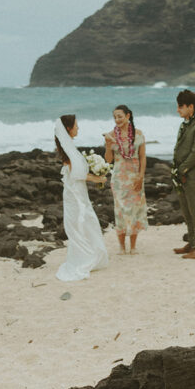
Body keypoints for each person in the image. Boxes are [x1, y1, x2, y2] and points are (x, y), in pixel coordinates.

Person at [55, 114, 109, 280]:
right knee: (82, 224)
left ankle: (90, 256)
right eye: (76, 125)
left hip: (78, 193)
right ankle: (84, 259)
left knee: (86, 223)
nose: (78, 128)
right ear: (69, 129)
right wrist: (98, 178)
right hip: (75, 195)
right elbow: (78, 174)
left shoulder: (69, 147)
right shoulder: (69, 150)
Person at [171, 89, 195, 260]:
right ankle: (192, 242)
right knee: (186, 211)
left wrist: (182, 170)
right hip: (181, 173)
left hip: (193, 173)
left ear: (191, 107)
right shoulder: (184, 124)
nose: (178, 109)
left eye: (181, 106)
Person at [103, 105, 147, 254]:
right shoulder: (111, 135)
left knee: (134, 210)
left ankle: (133, 246)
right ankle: (122, 246)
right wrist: (108, 146)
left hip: (135, 176)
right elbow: (108, 160)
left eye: (120, 116)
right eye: (115, 117)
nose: (117, 120)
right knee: (120, 211)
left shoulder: (139, 134)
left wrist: (141, 176)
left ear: (128, 116)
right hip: (119, 179)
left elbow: (142, 157)